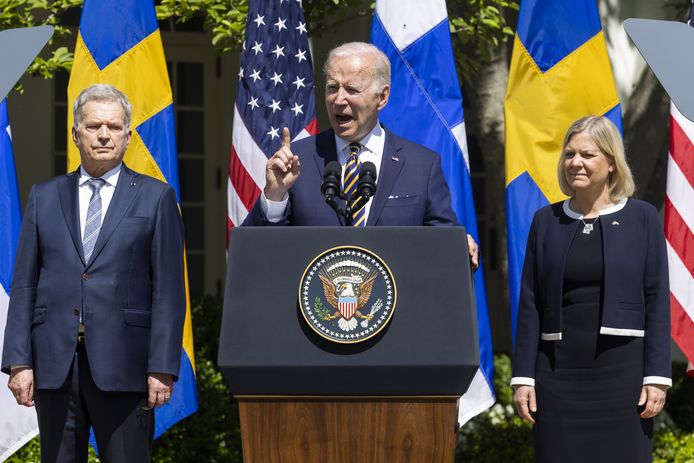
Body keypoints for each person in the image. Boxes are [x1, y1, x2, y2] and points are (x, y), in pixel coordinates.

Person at [1, 84, 186, 462]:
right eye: (94, 126)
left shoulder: (156, 197)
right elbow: (24, 285)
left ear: (128, 136)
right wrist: (19, 361)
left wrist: (162, 367)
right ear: (75, 134)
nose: (104, 135)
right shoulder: (45, 196)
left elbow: (168, 291)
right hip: (55, 367)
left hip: (127, 367)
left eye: (114, 127)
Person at [511, 116, 671, 462]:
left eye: (587, 154)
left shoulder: (642, 218)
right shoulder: (545, 221)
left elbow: (657, 298)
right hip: (556, 377)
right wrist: (523, 377)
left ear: (611, 162)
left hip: (623, 377)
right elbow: (530, 303)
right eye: (569, 155)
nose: (575, 163)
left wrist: (657, 377)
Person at [242, 41, 479, 268]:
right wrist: (274, 196)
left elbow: (443, 246)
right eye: (332, 88)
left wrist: (456, 245)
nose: (339, 99)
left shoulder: (422, 165)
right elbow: (256, 253)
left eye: (352, 89)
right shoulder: (296, 161)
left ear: (382, 97)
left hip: (397, 305)